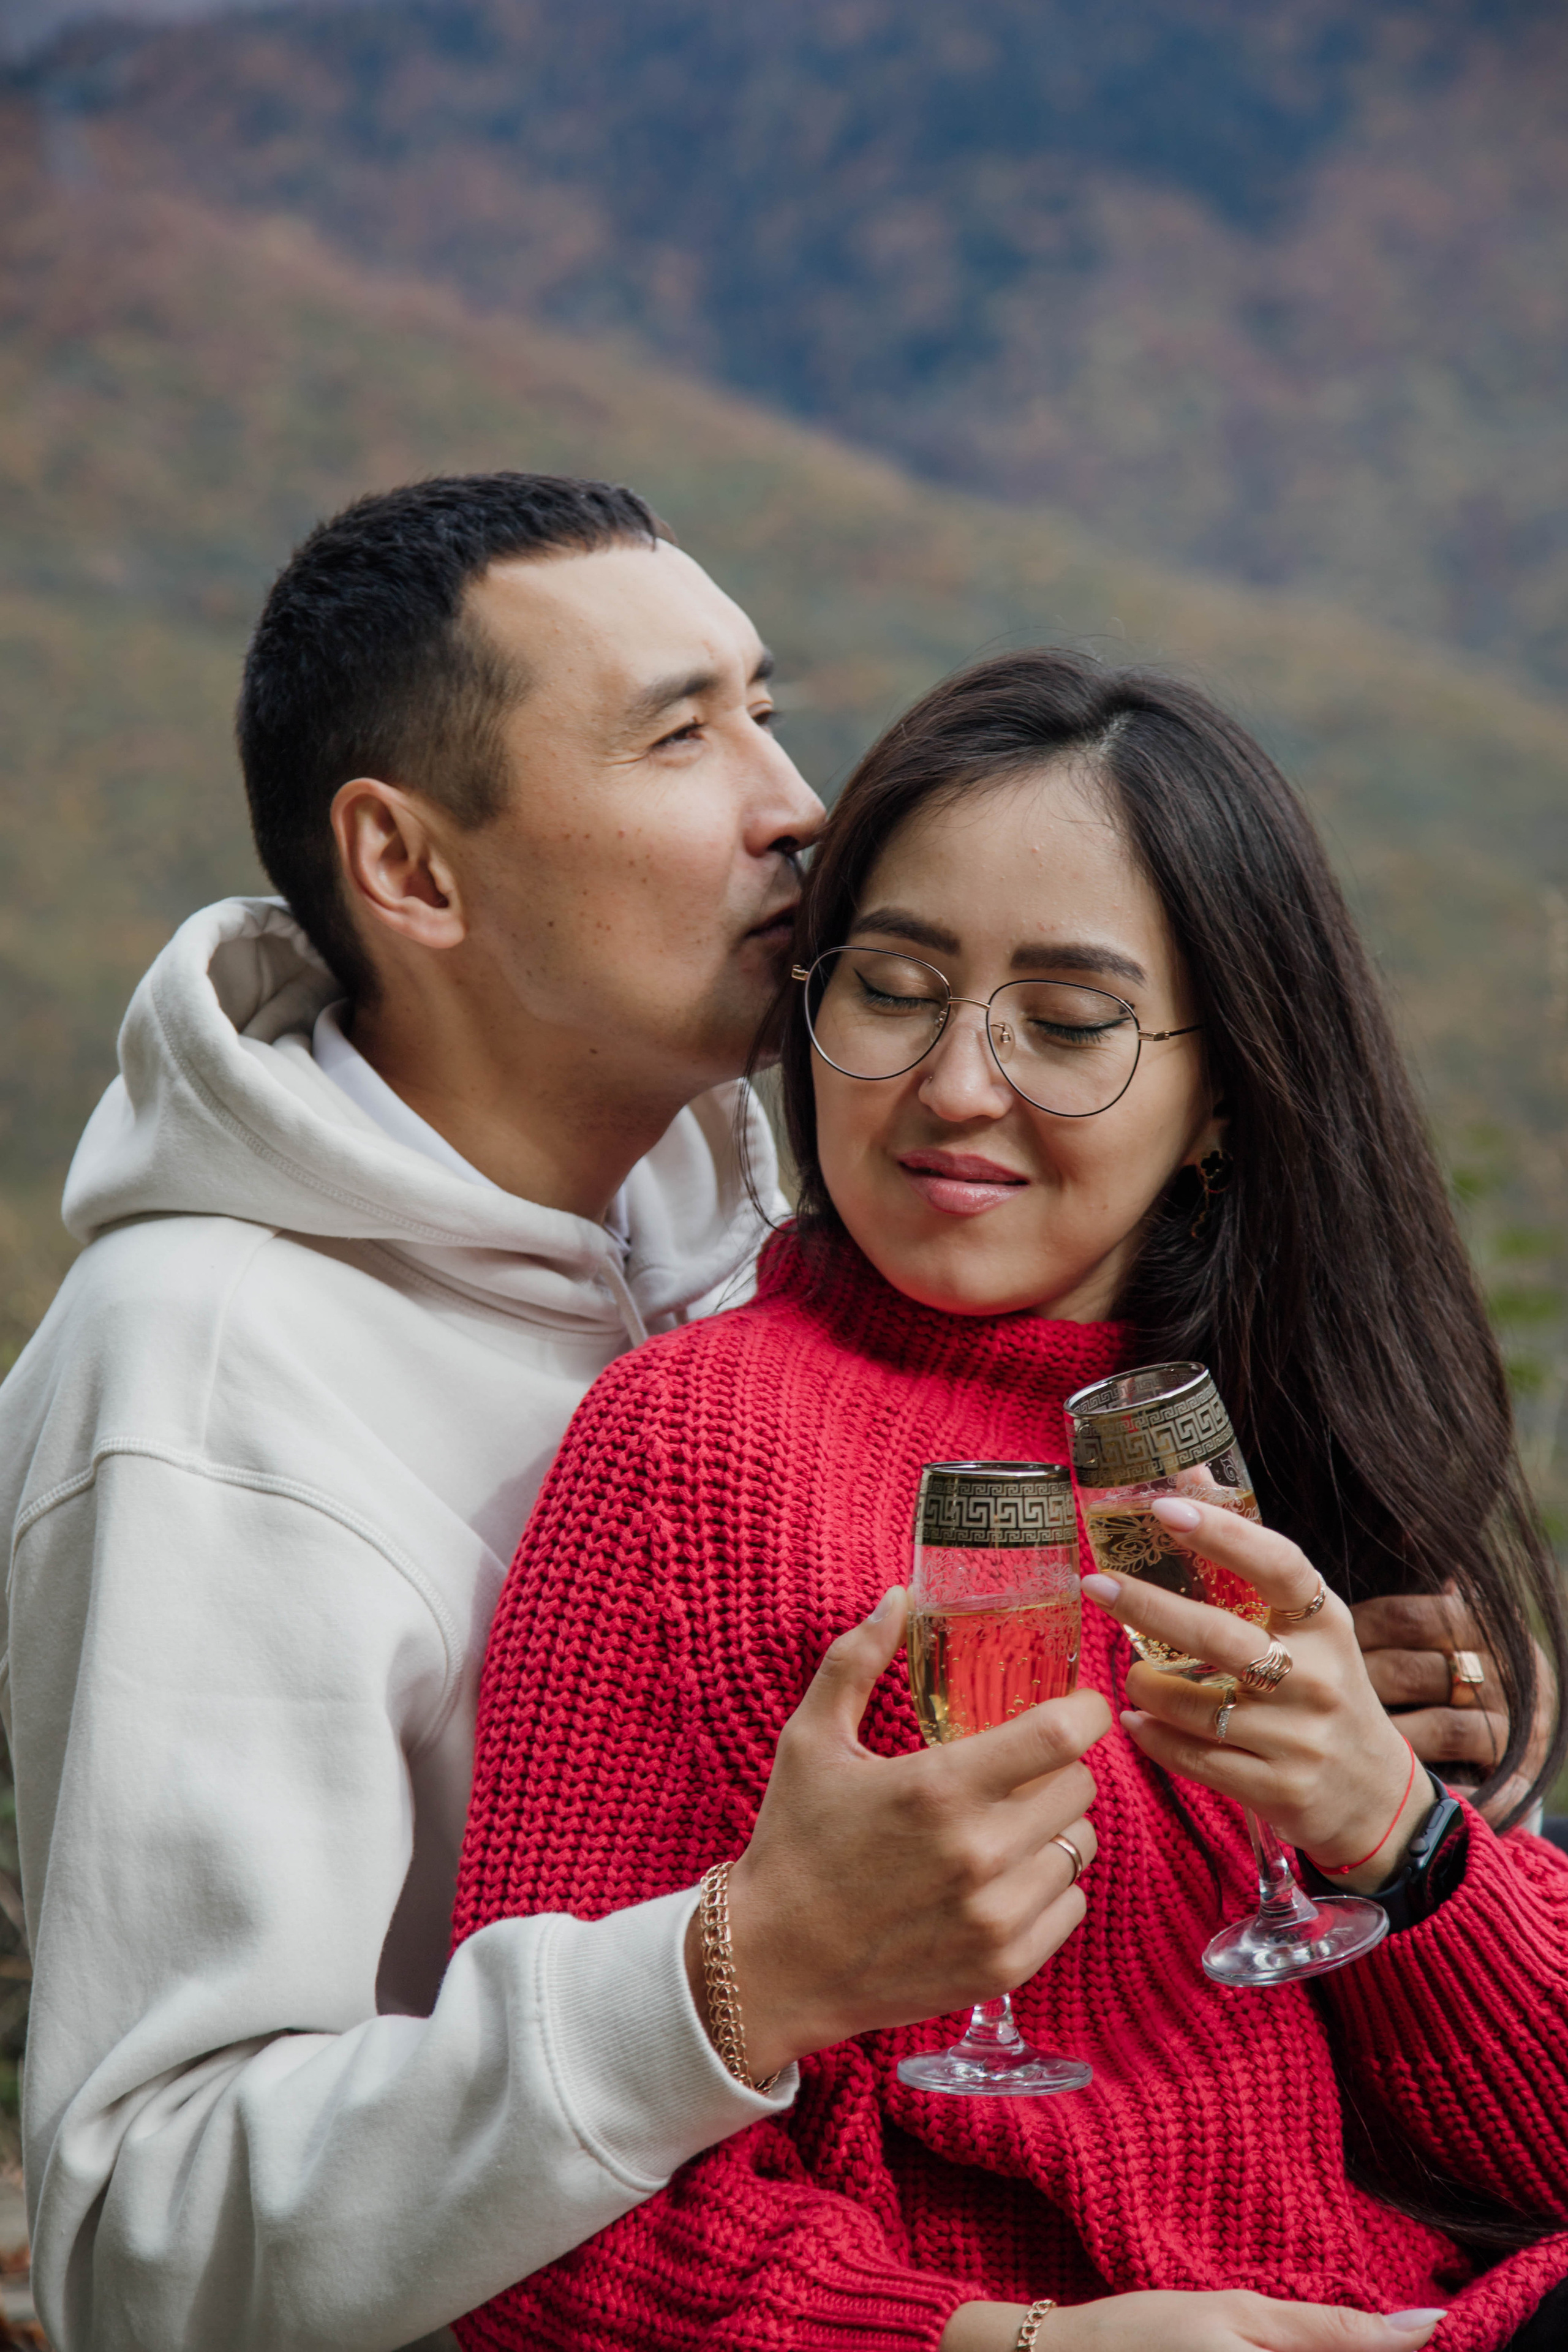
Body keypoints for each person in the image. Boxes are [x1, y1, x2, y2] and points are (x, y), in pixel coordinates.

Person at [0, 478, 1128, 2352]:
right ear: (413, 871)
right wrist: (737, 1971)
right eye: (681, 734)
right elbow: (154, 2242)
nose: (797, 804)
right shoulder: (203, 1373)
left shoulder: (755, 1227)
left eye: (766, 704)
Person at [452, 649, 1568, 2352]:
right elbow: (546, 2214)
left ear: (1221, 1101)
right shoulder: (689, 1455)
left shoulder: (1260, 1449)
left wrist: (1397, 1830)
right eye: (893, 989)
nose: (958, 1086)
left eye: (1068, 1025)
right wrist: (1006, 2347)